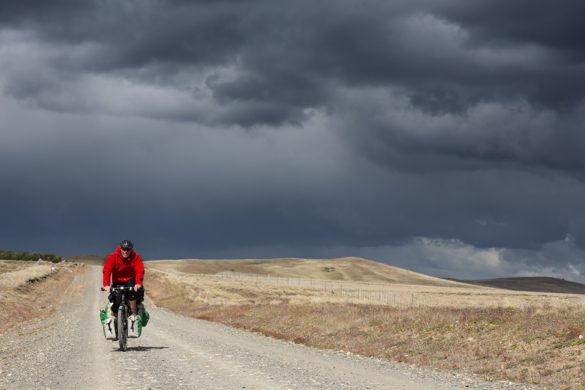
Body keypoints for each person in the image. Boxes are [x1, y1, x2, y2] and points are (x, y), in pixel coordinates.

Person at [102, 239, 144, 339]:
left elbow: (139, 270)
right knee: (116, 298)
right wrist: (106, 285)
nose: (125, 251)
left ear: (131, 250)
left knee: (132, 293)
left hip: (130, 280)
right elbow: (107, 270)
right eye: (123, 249)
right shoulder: (113, 257)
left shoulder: (135, 257)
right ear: (120, 248)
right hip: (117, 281)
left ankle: (133, 314)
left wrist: (138, 283)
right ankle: (113, 317)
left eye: (128, 250)